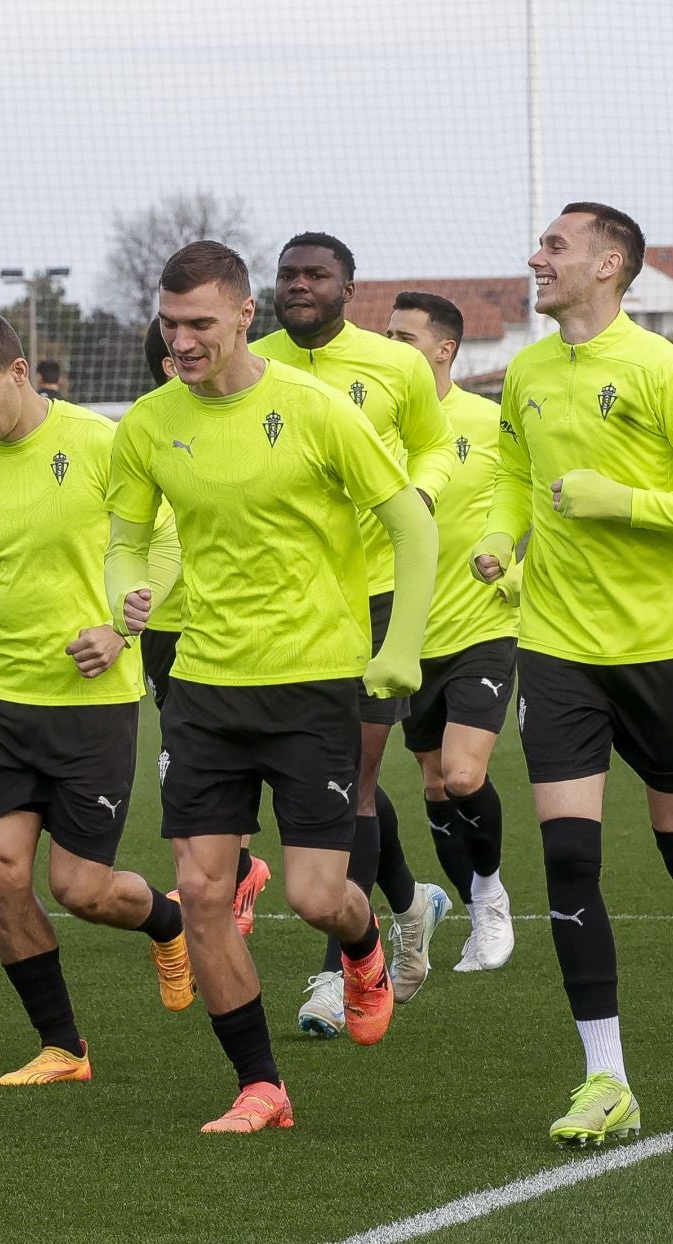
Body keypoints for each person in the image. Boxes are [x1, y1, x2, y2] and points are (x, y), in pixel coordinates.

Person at [106, 240, 438, 1133]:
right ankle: (261, 1085)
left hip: (313, 684)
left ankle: (364, 948)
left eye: (200, 324)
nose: (181, 341)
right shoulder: (146, 425)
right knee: (204, 893)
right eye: (170, 324)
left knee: (313, 897)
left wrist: (400, 646)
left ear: (244, 316)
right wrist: (122, 595)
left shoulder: (318, 410)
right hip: (205, 687)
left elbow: (412, 526)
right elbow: (127, 541)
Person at [473, 203, 673, 1145]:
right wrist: (499, 535)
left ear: (609, 264)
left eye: (554, 247)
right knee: (567, 858)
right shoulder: (525, 371)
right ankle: (607, 1078)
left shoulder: (665, 371)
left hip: (661, 650)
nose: (535, 258)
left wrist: (622, 502)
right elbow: (516, 474)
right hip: (556, 648)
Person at [0, 310, 193, 1084]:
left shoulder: (102, 443)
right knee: (0, 871)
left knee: (81, 888)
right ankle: (63, 1046)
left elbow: (163, 544)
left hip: (94, 703)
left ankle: (169, 920)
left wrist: (122, 627)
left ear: (20, 372)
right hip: (1, 701)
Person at [252, 232, 457, 1029]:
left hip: (371, 596)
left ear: (348, 287)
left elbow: (436, 447)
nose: (300, 285)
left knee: (355, 784)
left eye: (317, 275)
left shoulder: (396, 365)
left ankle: (336, 976)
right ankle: (411, 904)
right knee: (327, 779)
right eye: (289, 274)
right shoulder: (251, 359)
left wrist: (421, 494)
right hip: (281, 605)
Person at [383, 292, 518, 973]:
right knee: (435, 788)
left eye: (404, 336)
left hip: (481, 628)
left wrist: (511, 566)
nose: (391, 346)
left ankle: (491, 899)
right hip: (405, 639)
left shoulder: (490, 423)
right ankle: (468, 905)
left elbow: (528, 507)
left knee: (465, 777)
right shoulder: (373, 426)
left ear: (444, 350)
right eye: (386, 334)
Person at [138, 316, 274, 935]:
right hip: (163, 628)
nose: (187, 353)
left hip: (219, 623)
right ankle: (228, 874)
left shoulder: (240, 427)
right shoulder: (149, 431)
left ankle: (235, 874)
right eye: (175, 346)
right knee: (186, 756)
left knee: (234, 753)